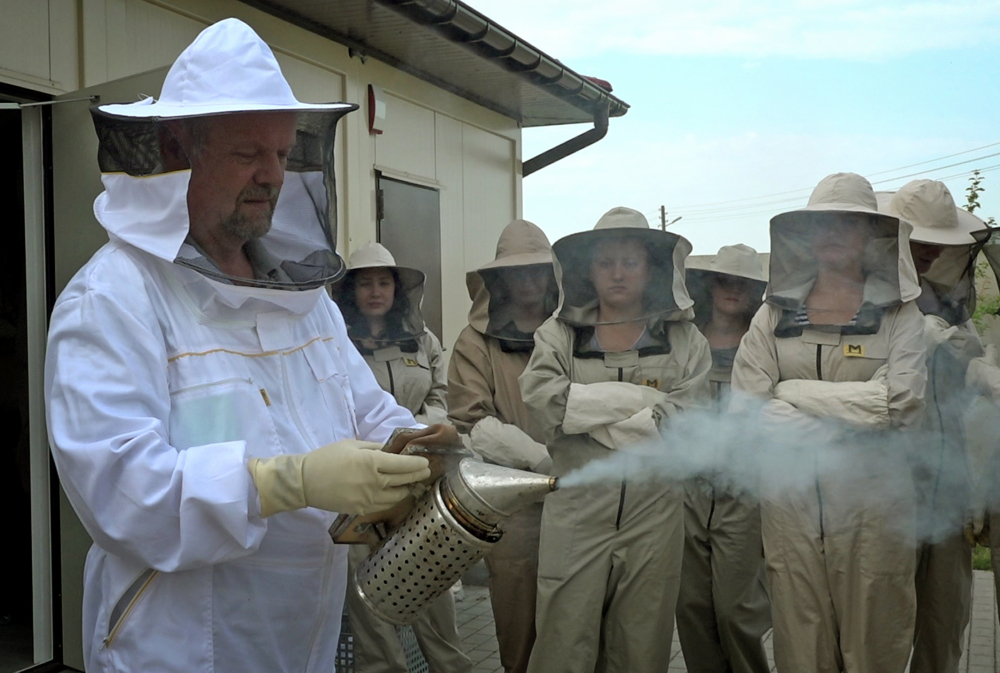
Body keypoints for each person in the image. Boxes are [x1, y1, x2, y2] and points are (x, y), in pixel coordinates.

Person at [43, 19, 436, 673]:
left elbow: (364, 409)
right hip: (180, 650)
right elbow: (123, 495)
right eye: (249, 152)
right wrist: (287, 481)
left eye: (282, 153)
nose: (272, 174)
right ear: (177, 149)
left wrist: (416, 449)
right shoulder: (113, 299)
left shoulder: (301, 301)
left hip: (303, 643)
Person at [731, 172, 927, 673]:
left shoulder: (903, 315)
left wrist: (792, 392)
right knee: (801, 647)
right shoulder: (771, 315)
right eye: (823, 224)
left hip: (876, 508)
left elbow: (899, 405)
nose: (834, 233)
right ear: (805, 235)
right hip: (789, 505)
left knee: (875, 644)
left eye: (849, 223)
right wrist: (852, 411)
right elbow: (747, 410)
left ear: (871, 236)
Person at [519, 207, 712, 673]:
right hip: (577, 506)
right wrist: (641, 410)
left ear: (651, 269)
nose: (619, 274)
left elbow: (690, 418)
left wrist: (586, 409)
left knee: (641, 643)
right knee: (563, 640)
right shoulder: (558, 334)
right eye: (607, 263)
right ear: (588, 269)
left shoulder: (685, 339)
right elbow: (545, 401)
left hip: (656, 510)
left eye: (631, 262)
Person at [332, 242, 472, 673]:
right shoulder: (335, 340)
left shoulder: (423, 339)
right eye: (366, 283)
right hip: (361, 478)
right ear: (351, 291)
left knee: (430, 577)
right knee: (365, 586)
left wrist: (415, 432)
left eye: (384, 283)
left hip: (418, 478)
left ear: (397, 289)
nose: (375, 292)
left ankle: (450, 666)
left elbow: (443, 394)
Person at [877, 180, 990, 673]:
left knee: (945, 619)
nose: (928, 253)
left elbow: (968, 392)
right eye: (917, 241)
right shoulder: (861, 298)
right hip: (883, 485)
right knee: (880, 624)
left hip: (948, 479)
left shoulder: (952, 303)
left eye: (937, 245)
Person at [447, 219, 557, 673]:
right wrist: (542, 461)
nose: (528, 282)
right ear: (500, 279)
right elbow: (472, 422)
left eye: (537, 271)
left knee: (577, 625)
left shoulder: (572, 331)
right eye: (517, 272)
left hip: (580, 501)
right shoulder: (473, 342)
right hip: (513, 506)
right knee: (519, 626)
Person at [676, 244, 771, 673]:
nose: (733, 290)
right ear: (709, 285)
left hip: (744, 492)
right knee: (691, 607)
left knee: (737, 611)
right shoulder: (684, 338)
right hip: (686, 491)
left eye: (744, 283)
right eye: (725, 280)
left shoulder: (765, 341)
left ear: (757, 293)